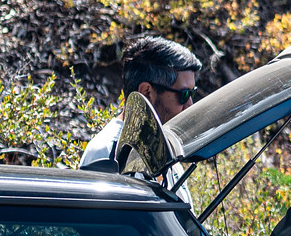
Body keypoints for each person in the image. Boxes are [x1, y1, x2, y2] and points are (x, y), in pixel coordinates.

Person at [80, 36, 201, 173]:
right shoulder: (106, 155)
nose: (190, 104)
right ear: (146, 92)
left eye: (192, 93)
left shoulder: (168, 157)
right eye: (184, 94)